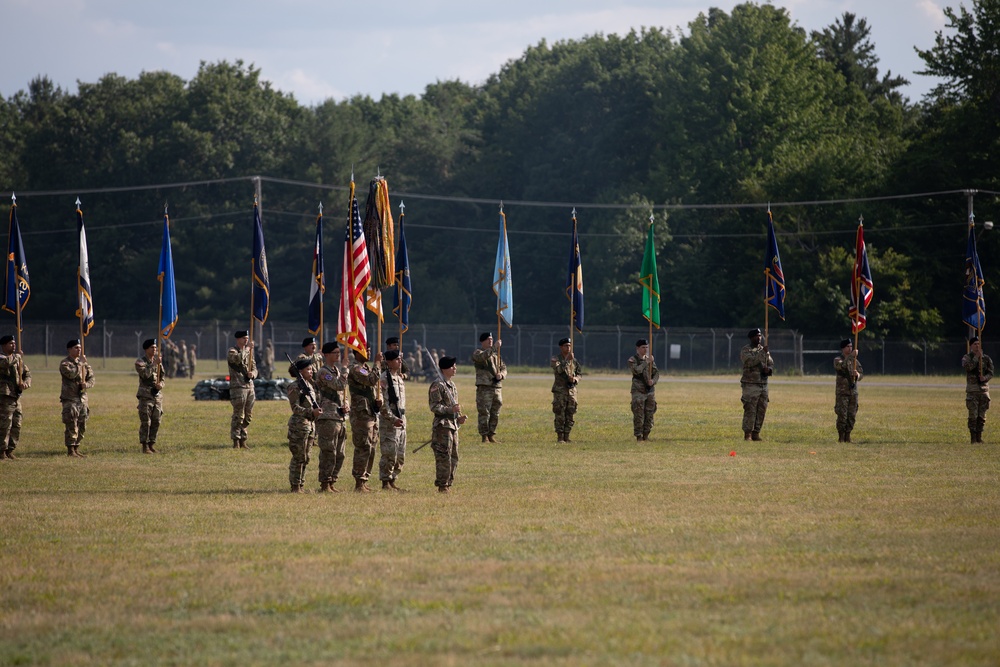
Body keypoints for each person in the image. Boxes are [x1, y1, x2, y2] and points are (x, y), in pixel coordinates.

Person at [315, 342, 350, 492]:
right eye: (335, 352)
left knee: (340, 453)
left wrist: (346, 404)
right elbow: (338, 385)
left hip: (339, 416)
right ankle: (325, 483)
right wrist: (345, 369)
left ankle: (332, 481)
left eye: (339, 352)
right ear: (326, 354)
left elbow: (342, 392)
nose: (338, 354)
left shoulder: (335, 370)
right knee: (329, 452)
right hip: (328, 416)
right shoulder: (324, 372)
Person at [348, 347, 383, 492]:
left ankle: (364, 478)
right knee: (363, 446)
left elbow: (371, 386)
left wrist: (377, 401)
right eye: (365, 350)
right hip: (361, 414)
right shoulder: (356, 369)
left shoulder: (366, 368)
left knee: (372, 447)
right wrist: (377, 364)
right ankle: (359, 481)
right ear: (357, 352)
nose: (368, 352)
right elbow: (371, 380)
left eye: (369, 349)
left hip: (370, 412)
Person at [429, 355, 466, 493]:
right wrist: (450, 410)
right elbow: (434, 406)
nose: (455, 368)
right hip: (442, 426)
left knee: (454, 456)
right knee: (443, 456)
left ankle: (449, 483)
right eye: (452, 366)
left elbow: (454, 409)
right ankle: (442, 485)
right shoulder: (437, 385)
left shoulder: (451, 385)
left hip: (453, 425)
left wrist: (458, 418)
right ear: (444, 369)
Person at [286, 359, 322, 492]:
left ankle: (301, 483)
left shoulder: (310, 385)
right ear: (300, 371)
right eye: (308, 369)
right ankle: (295, 485)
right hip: (299, 426)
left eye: (311, 369)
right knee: (299, 457)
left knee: (306, 458)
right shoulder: (295, 386)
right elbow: (295, 408)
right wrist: (310, 412)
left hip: (310, 426)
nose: (311, 371)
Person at [60, 339, 95, 457]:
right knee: (71, 424)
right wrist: (80, 363)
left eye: (80, 347)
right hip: (70, 399)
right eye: (76, 347)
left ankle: (76, 447)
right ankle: (70, 450)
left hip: (82, 399)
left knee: (82, 424)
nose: (79, 349)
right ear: (69, 350)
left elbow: (92, 378)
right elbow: (71, 374)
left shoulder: (84, 364)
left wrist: (87, 385)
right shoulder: (65, 364)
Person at [378, 349, 407, 490]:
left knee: (400, 454)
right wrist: (392, 418)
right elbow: (383, 404)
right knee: (389, 453)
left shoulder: (399, 378)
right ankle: (385, 481)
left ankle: (393, 479)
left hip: (401, 420)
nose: (400, 361)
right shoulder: (384, 378)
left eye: (400, 359)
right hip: (390, 422)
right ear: (389, 362)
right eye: (397, 359)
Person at [471, 331, 507, 443]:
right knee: (484, 412)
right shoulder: (478, 353)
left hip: (496, 387)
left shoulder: (497, 355)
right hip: (484, 387)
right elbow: (482, 357)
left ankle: (491, 434)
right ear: (482, 341)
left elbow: (504, 368)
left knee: (495, 413)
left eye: (491, 339)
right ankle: (484, 436)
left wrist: (501, 375)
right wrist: (494, 348)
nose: (491, 341)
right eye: (488, 339)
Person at [0, 334, 30, 459]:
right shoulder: (2, 358)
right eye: (11, 343)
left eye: (14, 343)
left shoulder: (17, 359)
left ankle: (10, 450)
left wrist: (26, 383)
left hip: (16, 396)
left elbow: (27, 373)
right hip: (5, 396)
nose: (14, 345)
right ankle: (1, 451)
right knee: (4, 425)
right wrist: (17, 356)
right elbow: (6, 363)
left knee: (16, 424)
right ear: (4, 346)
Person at [740, 328, 774, 441]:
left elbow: (770, 363)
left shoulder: (763, 350)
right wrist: (762, 353)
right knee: (750, 409)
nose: (759, 338)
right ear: (751, 338)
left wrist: (768, 370)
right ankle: (748, 433)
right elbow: (750, 362)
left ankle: (756, 432)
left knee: (761, 409)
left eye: (760, 336)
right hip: (750, 384)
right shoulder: (746, 350)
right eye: (756, 336)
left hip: (763, 384)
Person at [227, 330, 257, 449]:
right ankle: (236, 440)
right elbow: (237, 359)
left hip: (249, 386)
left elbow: (254, 367)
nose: (246, 340)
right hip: (238, 387)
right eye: (244, 338)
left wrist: (253, 374)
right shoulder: (232, 351)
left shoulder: (249, 353)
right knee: (239, 415)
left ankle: (244, 438)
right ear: (238, 339)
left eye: (247, 338)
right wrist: (248, 349)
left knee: (248, 416)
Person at [135, 338, 165, 454]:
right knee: (145, 422)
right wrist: (154, 364)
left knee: (156, 420)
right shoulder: (140, 362)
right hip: (145, 396)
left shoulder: (158, 362)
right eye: (152, 347)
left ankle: (152, 444)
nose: (155, 349)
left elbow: (162, 376)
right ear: (146, 349)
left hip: (157, 396)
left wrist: (160, 385)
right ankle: (144, 445)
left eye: (156, 348)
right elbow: (145, 375)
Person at [962, 335, 994, 443]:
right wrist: (976, 357)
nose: (977, 346)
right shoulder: (967, 357)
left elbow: (991, 372)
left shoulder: (986, 358)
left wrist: (984, 378)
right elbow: (968, 367)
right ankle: (973, 438)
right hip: (973, 390)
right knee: (973, 415)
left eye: (978, 344)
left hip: (983, 390)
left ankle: (979, 437)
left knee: (982, 416)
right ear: (971, 346)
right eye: (975, 344)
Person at [550, 338, 582, 442]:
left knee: (570, 413)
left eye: (569, 346)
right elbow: (559, 370)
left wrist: (575, 379)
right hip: (560, 390)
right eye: (566, 346)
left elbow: (579, 373)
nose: (568, 348)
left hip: (571, 391)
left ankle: (567, 436)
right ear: (561, 347)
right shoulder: (556, 359)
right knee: (560, 413)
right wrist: (567, 359)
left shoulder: (574, 360)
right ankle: (560, 437)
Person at [628, 338, 659, 442]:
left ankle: (646, 435)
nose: (645, 350)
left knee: (649, 414)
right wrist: (646, 362)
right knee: (639, 414)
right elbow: (637, 371)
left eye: (646, 347)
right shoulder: (633, 360)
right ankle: (639, 436)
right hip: (638, 391)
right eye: (643, 348)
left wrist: (653, 381)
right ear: (638, 348)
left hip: (649, 391)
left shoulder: (650, 360)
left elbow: (656, 373)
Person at [833, 338, 863, 443]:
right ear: (843, 348)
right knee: (842, 415)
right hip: (842, 393)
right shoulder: (838, 359)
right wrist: (851, 356)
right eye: (848, 347)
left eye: (851, 346)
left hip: (853, 393)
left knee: (852, 415)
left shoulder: (855, 361)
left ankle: (848, 436)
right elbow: (842, 366)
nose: (850, 348)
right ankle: (841, 437)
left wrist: (857, 375)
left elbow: (861, 373)